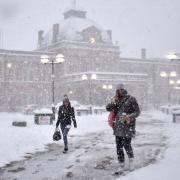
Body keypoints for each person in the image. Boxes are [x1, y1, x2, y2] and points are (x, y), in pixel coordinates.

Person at [106, 83, 140, 169]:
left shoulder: (131, 99)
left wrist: (129, 116)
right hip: (117, 127)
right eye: (118, 90)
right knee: (119, 147)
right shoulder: (116, 100)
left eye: (121, 89)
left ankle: (131, 161)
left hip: (128, 126)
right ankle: (121, 164)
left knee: (127, 145)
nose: (120, 91)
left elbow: (137, 112)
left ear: (124, 89)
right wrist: (112, 101)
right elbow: (108, 108)